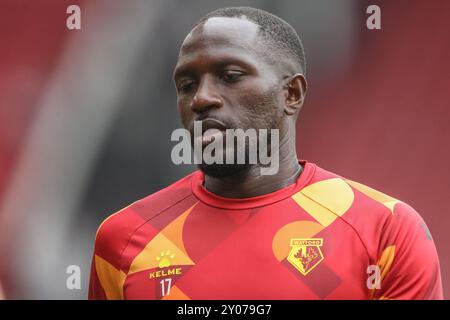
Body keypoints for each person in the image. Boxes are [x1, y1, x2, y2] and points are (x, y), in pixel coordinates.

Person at [88, 7, 443, 300]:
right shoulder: (124, 239)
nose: (201, 99)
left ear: (291, 94)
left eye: (229, 75)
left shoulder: (385, 231)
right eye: (187, 85)